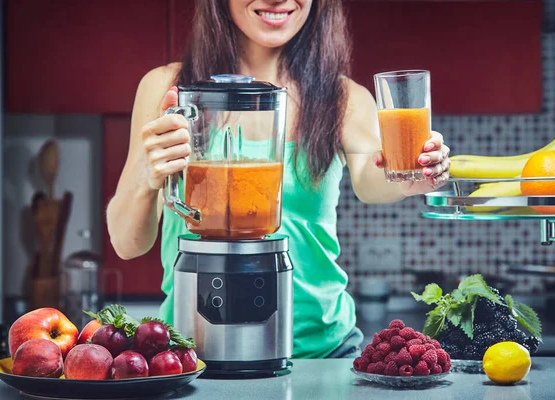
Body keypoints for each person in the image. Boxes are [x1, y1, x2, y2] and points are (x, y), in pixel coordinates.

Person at [107, 0, 450, 359]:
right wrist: (149, 177)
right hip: (193, 353)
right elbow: (127, 243)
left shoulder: (342, 98)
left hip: (321, 354)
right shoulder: (168, 89)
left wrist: (414, 175)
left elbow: (373, 176)